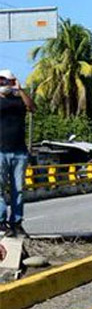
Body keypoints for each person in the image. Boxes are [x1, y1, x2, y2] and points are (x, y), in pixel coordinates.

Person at [0, 69, 36, 238]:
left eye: (6, 81)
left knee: (18, 189)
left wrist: (20, 89)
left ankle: (16, 222)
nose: (3, 84)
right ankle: (1, 222)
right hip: (1, 151)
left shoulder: (18, 100)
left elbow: (32, 107)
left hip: (19, 151)